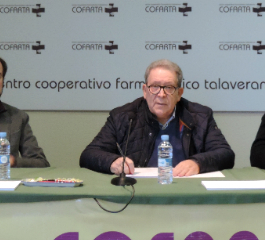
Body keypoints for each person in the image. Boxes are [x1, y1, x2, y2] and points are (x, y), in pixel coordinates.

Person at [79, 59, 234, 176]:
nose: (161, 94)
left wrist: (197, 163)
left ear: (179, 93)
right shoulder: (124, 116)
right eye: (155, 87)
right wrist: (112, 162)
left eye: (169, 87)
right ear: (145, 91)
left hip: (186, 189)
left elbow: (225, 154)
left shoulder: (200, 116)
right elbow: (89, 155)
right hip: (138, 191)